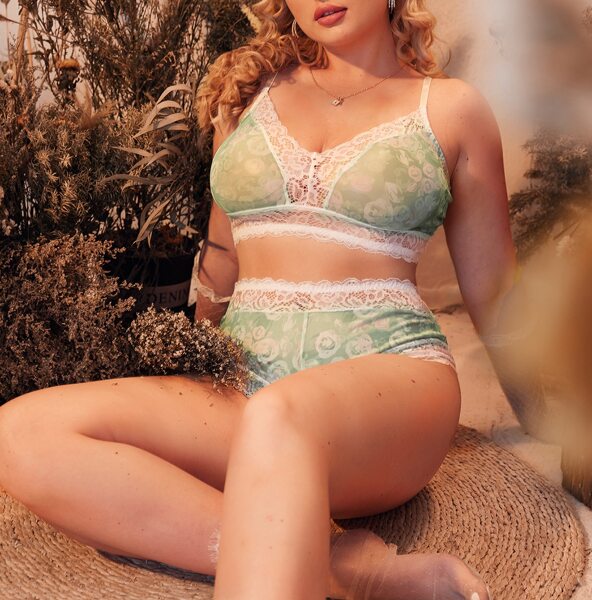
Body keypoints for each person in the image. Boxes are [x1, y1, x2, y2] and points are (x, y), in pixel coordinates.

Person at [0, 0, 529, 597]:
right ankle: (339, 564)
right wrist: (193, 356)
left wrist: (555, 418)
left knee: (280, 415)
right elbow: (222, 256)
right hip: (247, 383)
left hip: (392, 381)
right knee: (22, 432)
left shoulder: (452, 108)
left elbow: (494, 293)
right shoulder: (249, 93)